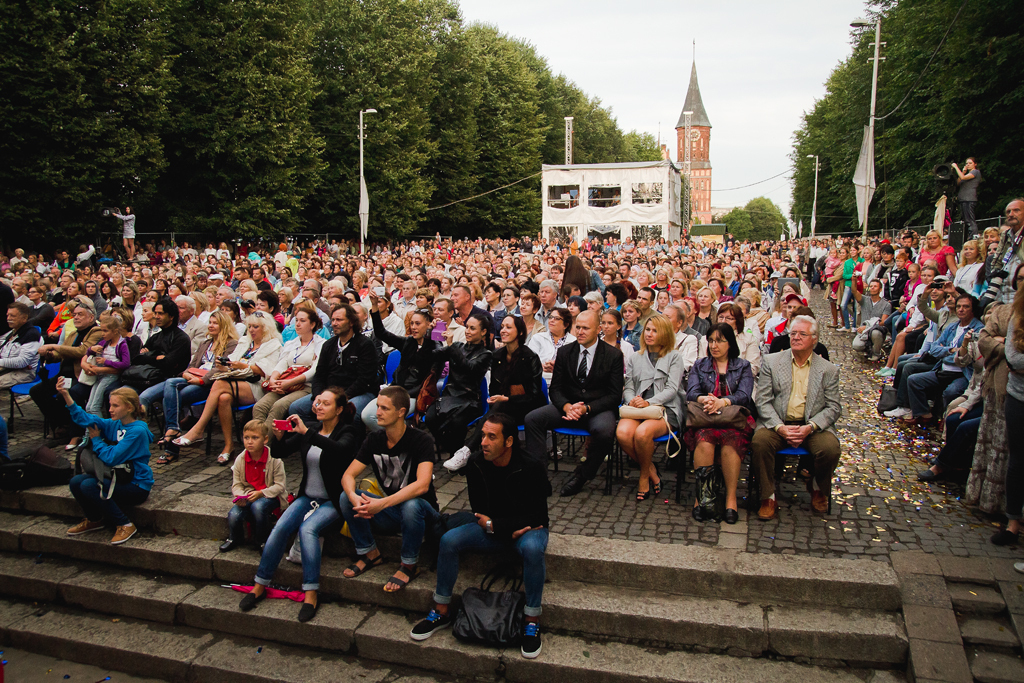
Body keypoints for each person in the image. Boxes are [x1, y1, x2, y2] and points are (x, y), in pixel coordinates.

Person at [410, 413, 549, 659]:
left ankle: (531, 619)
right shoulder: (476, 463)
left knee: (532, 549)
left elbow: (538, 516)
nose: (483, 442)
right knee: (449, 540)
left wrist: (498, 525)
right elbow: (479, 511)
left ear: (508, 442)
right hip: (496, 528)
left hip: (526, 531)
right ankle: (441, 610)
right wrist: (500, 526)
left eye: (491, 437)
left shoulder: (531, 465)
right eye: (482, 435)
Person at [239, 387, 364, 621]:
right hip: (307, 496)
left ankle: (311, 592)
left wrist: (307, 432)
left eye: (325, 403)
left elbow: (339, 450)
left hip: (333, 500)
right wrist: (278, 437)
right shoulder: (313, 429)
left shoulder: (348, 431)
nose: (317, 406)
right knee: (281, 527)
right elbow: (281, 452)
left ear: (338, 410)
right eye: (317, 402)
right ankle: (259, 584)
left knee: (308, 530)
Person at [339, 386, 440, 593]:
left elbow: (422, 485)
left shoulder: (421, 440)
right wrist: (353, 497)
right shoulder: (374, 440)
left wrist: (380, 504)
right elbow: (348, 475)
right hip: (393, 512)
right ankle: (370, 553)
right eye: (377, 407)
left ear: (401, 412)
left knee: (411, 505)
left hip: (423, 513)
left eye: (384, 408)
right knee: (345, 497)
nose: (377, 413)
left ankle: (409, 565)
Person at [750, 315, 842, 520]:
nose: (796, 338)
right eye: (793, 333)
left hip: (811, 426)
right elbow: (763, 401)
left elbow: (834, 407)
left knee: (830, 448)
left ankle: (818, 488)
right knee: (760, 442)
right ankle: (768, 495)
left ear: (814, 339)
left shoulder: (827, 369)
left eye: (802, 334)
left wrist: (810, 427)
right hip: (778, 423)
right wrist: (779, 427)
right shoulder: (773, 362)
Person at [524, 310, 624, 496]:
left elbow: (614, 396)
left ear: (598, 330)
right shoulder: (565, 352)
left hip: (597, 409)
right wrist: (567, 407)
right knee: (533, 419)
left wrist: (586, 408)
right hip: (567, 407)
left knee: (605, 432)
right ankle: (538, 477)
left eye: (586, 328)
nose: (580, 332)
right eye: (578, 327)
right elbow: (555, 389)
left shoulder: (613, 355)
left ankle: (582, 475)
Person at [172, 311, 282, 463]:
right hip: (233, 381)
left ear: (266, 327)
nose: (251, 330)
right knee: (223, 398)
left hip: (257, 385)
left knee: (219, 384)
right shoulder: (245, 341)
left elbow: (266, 371)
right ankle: (228, 446)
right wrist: (223, 365)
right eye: (249, 326)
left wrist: (243, 366)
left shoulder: (273, 345)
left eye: (256, 326)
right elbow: (232, 361)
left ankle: (198, 429)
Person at [58, 379, 153, 545]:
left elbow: (111, 457)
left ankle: (124, 524)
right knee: (76, 482)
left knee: (89, 485)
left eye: (115, 406)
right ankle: (95, 519)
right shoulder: (115, 424)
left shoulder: (137, 431)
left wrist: (96, 441)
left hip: (136, 485)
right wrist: (66, 395)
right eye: (110, 405)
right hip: (119, 477)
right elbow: (85, 419)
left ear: (129, 408)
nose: (110, 409)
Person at [446, 315, 545, 470]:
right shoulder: (497, 356)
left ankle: (467, 450)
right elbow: (493, 388)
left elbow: (533, 395)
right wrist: (499, 398)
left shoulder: (530, 357)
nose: (503, 330)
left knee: (495, 413)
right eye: (502, 326)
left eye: (508, 327)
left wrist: (507, 398)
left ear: (520, 332)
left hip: (527, 407)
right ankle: (479, 459)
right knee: (495, 412)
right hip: (503, 406)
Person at [685, 323, 756, 523]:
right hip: (706, 417)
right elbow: (691, 392)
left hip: (732, 420)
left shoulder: (742, 365)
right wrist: (705, 400)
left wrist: (722, 401)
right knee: (705, 441)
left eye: (719, 340)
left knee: (730, 444)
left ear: (729, 343)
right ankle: (702, 498)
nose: (714, 345)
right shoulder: (701, 364)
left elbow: (744, 395)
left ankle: (730, 499)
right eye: (711, 341)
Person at [155, 310, 239, 463]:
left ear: (224, 325)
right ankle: (173, 428)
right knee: (170, 385)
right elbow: (193, 364)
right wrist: (187, 374)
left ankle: (171, 445)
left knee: (172, 399)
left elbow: (222, 369)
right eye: (210, 322)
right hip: (193, 378)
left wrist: (202, 380)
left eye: (215, 323)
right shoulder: (205, 343)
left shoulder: (231, 344)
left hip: (211, 384)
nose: (211, 326)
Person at [616, 315, 683, 501]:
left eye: (655, 330)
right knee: (622, 433)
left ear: (665, 333)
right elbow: (628, 386)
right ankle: (652, 469)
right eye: (647, 330)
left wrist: (649, 402)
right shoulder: (636, 358)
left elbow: (672, 389)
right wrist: (633, 400)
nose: (649, 334)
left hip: (664, 408)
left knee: (642, 434)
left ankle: (644, 477)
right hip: (638, 406)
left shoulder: (674, 356)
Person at [290, 303, 378, 423]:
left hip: (358, 393)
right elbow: (319, 375)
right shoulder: (328, 345)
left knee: (344, 412)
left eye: (339, 320)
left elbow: (364, 379)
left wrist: (338, 399)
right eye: (333, 320)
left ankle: (344, 440)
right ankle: (313, 437)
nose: (334, 323)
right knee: (297, 408)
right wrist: (318, 396)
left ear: (351, 322)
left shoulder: (365, 345)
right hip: (330, 393)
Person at [362, 294, 439, 430]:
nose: (413, 327)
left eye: (418, 323)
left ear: (428, 325)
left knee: (378, 417)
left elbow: (426, 361)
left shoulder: (435, 347)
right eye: (411, 323)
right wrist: (374, 306)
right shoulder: (408, 342)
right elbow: (381, 333)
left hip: (416, 395)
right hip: (396, 391)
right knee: (367, 415)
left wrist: (429, 335)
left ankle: (400, 441)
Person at [30, 299, 103, 435]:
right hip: (63, 374)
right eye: (74, 315)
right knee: (37, 391)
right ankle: (61, 422)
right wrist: (50, 355)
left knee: (62, 394)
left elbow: (82, 351)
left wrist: (53, 346)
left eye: (80, 314)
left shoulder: (96, 331)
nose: (76, 317)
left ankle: (73, 428)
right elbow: (62, 353)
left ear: (91, 317)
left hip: (81, 375)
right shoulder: (73, 333)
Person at [425, 312, 492, 454]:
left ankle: (455, 452)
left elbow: (470, 369)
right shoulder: (458, 346)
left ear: (483, 332)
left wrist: (451, 346)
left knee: (456, 423)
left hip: (469, 400)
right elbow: (431, 355)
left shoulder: (485, 354)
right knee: (430, 417)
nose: (467, 331)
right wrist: (429, 333)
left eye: (472, 328)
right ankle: (447, 446)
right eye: (467, 327)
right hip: (450, 396)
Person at [252, 302, 325, 430]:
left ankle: (265, 444)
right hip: (284, 384)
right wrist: (274, 380)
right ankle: (256, 441)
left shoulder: (320, 344)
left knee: (279, 407)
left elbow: (314, 370)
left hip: (305, 386)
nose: (297, 324)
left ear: (312, 324)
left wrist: (289, 382)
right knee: (259, 407)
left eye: (302, 321)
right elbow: (282, 363)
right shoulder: (292, 343)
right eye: (296, 320)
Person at [221, 420, 288, 551]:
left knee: (258, 507)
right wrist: (240, 495)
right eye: (246, 438)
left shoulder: (275, 459)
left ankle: (262, 540)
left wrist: (261, 493)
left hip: (270, 495)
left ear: (265, 439)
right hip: (248, 495)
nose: (249, 441)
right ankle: (234, 538)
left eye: (255, 438)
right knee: (234, 514)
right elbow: (237, 484)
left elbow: (280, 486)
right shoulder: (241, 459)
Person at [0, 302, 41, 389]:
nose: (8, 319)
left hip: (24, 372)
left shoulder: (31, 334)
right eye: (7, 315)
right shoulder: (12, 332)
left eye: (12, 316)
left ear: (24, 318)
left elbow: (22, 362)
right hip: (8, 368)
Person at [850, 280, 893, 361]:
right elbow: (854, 291)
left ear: (880, 289)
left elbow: (883, 322)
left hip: (877, 330)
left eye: (875, 286)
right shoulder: (864, 299)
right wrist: (853, 280)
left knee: (875, 333)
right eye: (871, 286)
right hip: (863, 332)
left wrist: (868, 326)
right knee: (856, 345)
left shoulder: (886, 304)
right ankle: (868, 348)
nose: (872, 288)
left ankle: (876, 353)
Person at [528, 307, 575, 381]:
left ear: (566, 325)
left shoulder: (574, 342)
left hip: (564, 382)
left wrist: (557, 368)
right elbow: (528, 361)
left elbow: (575, 367)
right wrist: (540, 366)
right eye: (550, 317)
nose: (552, 320)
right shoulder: (538, 338)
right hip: (540, 379)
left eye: (557, 318)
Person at [952, 157, 981, 236]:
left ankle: (974, 235)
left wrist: (956, 167)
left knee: (970, 219)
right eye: (967, 163)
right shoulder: (966, 174)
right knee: (966, 220)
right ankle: (969, 235)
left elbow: (963, 178)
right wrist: (963, 171)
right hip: (963, 199)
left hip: (970, 198)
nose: (968, 165)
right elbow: (958, 182)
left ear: (975, 164)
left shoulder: (975, 172)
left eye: (970, 163)